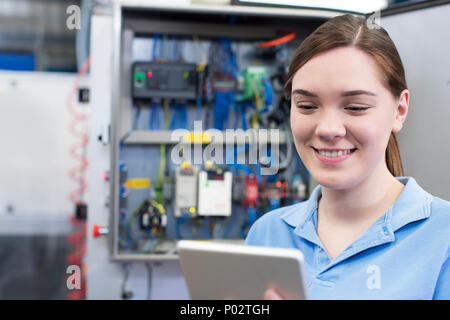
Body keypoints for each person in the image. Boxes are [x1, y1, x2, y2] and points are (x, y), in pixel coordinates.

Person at [245, 14, 449, 300]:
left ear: (399, 110)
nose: (328, 129)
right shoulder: (267, 234)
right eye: (306, 105)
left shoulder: (443, 237)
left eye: (355, 107)